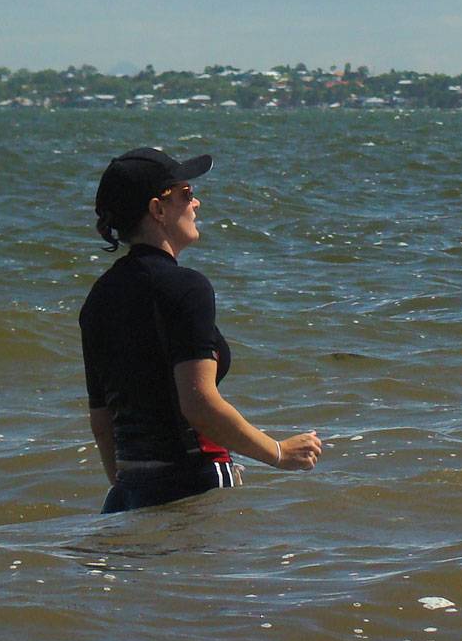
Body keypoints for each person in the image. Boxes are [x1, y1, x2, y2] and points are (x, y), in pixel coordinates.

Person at [79, 147, 322, 513]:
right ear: (158, 210)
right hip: (194, 482)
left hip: (125, 495)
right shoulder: (187, 288)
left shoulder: (98, 298)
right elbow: (199, 405)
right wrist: (279, 453)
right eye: (186, 194)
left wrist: (134, 488)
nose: (197, 204)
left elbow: (102, 422)